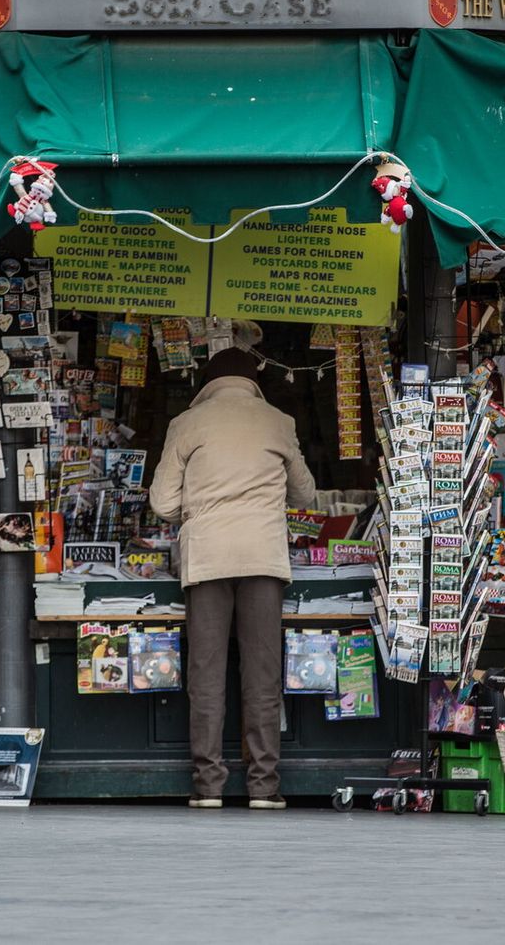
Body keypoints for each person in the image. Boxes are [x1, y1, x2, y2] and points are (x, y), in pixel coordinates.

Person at [150, 347, 316, 810]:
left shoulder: (185, 424)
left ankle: (208, 787)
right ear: (252, 381)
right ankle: (264, 787)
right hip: (263, 557)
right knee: (261, 676)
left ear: (208, 382)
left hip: (207, 561)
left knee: (205, 676)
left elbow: (163, 503)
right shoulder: (278, 421)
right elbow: (307, 492)